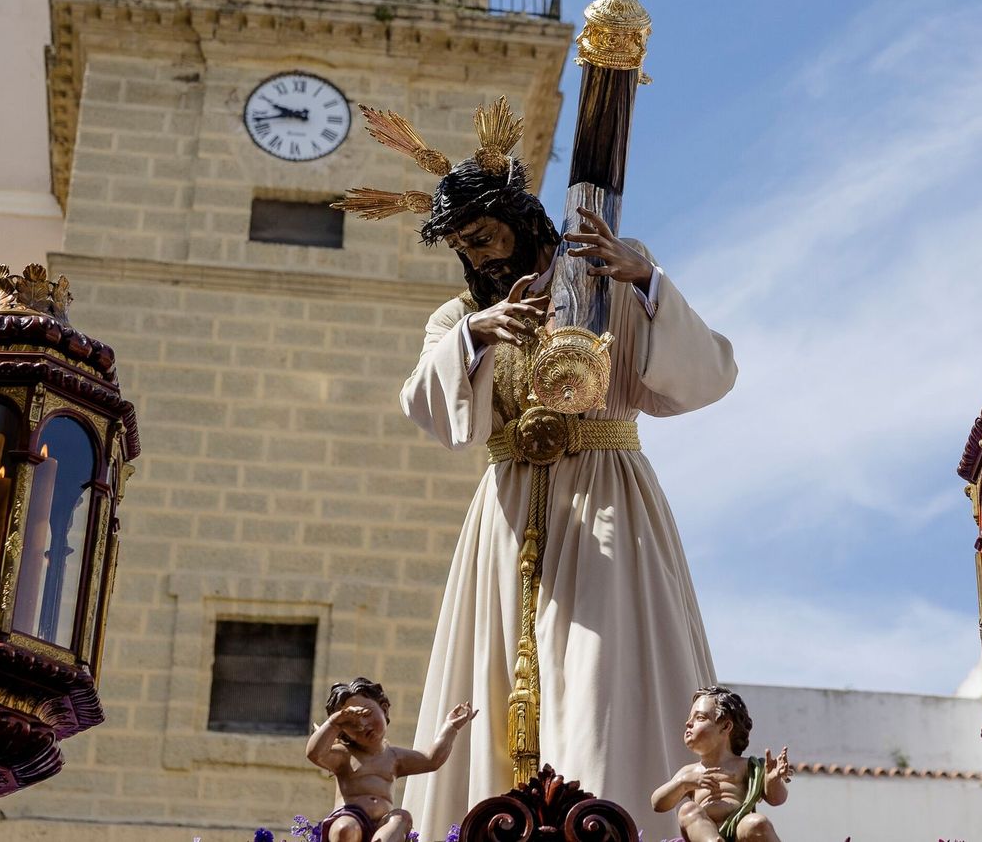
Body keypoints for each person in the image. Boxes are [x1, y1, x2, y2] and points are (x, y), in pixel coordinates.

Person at [337, 99, 738, 841]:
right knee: (490, 689)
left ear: (519, 220)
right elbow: (426, 407)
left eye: (485, 235)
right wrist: (475, 337)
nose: (481, 257)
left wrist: (646, 282)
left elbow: (707, 375)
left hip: (607, 501)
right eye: (463, 245)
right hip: (505, 512)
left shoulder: (605, 274)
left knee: (600, 676)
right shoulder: (460, 317)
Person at [305, 677, 476, 842]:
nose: (362, 724)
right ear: (343, 732)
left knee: (401, 818)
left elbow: (431, 759)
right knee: (346, 829)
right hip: (350, 817)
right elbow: (315, 754)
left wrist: (450, 727)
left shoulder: (394, 758)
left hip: (382, 826)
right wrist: (334, 722)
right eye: (350, 723)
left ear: (384, 708)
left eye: (367, 713)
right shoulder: (344, 755)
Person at [652, 686, 791, 842]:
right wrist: (683, 783)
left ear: (726, 726)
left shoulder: (746, 766)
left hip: (740, 832)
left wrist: (773, 780)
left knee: (757, 823)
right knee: (687, 809)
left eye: (699, 718)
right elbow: (658, 803)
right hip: (705, 833)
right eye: (690, 718)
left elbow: (777, 799)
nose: (688, 723)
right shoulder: (690, 772)